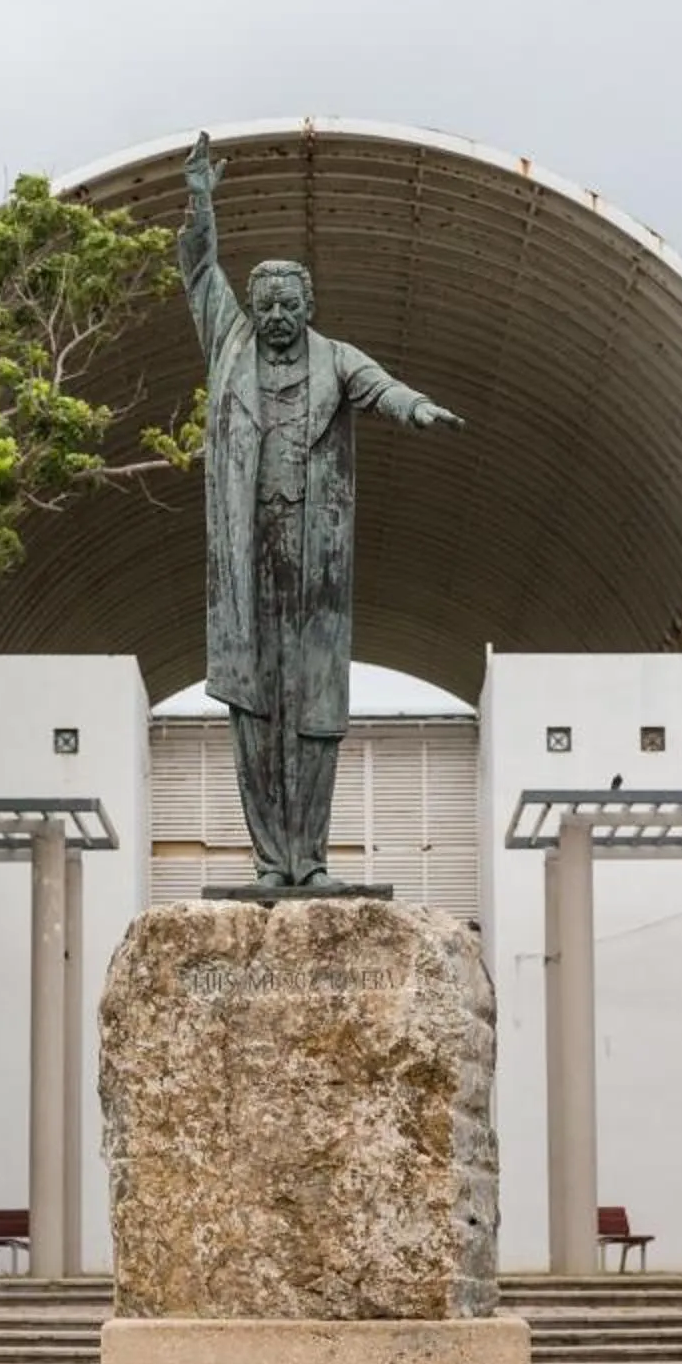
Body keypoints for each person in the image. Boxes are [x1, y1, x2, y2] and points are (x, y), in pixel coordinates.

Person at [176, 130, 462, 888]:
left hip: (314, 567)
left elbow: (381, 387)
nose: (275, 313)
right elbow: (200, 273)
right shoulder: (229, 345)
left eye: (288, 303)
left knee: (315, 711)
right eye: (265, 302)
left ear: (309, 305)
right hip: (247, 565)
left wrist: (416, 408)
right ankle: (271, 863)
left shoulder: (336, 358)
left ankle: (311, 860)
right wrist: (202, 203)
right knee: (254, 708)